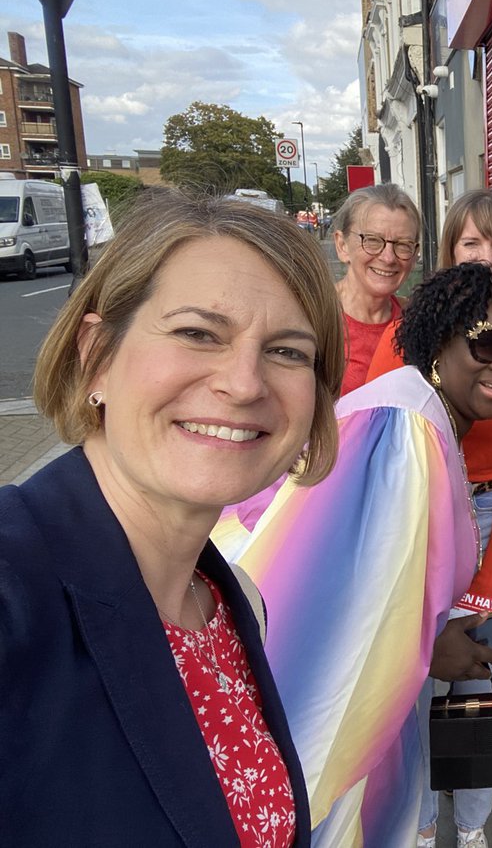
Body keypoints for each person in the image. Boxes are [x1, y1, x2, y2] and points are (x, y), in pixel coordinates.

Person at [1, 190, 345, 845]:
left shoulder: (226, 598)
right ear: (97, 354)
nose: (244, 383)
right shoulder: (15, 593)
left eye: (287, 351)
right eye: (197, 333)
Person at [218, 264, 492, 847]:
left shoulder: (424, 415)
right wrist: (428, 649)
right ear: (440, 336)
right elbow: (344, 601)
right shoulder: (403, 427)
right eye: (487, 341)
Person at [363, 190, 492, 848]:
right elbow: (377, 440)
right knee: (408, 677)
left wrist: (487, 584)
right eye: (471, 242)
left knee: (488, 678)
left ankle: (472, 827)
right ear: (451, 253)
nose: (488, 254)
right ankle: (416, 823)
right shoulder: (412, 331)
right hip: (413, 511)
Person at [331, 183, 420, 394]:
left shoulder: (415, 321)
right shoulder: (313, 318)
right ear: (342, 246)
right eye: (372, 240)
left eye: (402, 244)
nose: (388, 257)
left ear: (415, 254)